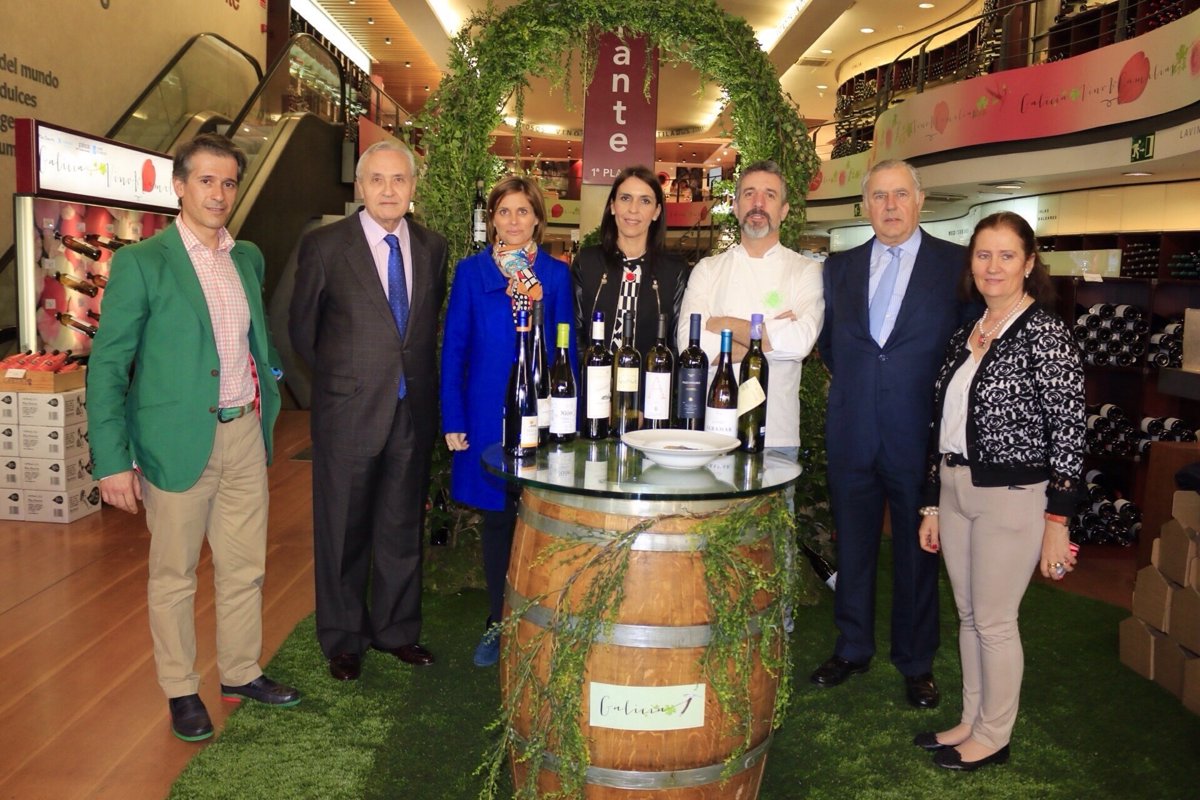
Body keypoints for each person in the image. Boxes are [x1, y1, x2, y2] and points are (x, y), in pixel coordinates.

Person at [88, 133, 298, 743]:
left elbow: (253, 342)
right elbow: (109, 365)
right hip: (174, 442)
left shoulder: (246, 257)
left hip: (243, 433)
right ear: (179, 186)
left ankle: (240, 672)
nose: (219, 193)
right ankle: (181, 689)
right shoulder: (142, 262)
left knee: (245, 567)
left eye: (228, 182)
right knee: (174, 575)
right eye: (206, 180)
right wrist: (112, 460)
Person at [914, 211, 1084, 770]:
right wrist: (933, 501)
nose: (993, 266)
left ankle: (994, 735)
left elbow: (1069, 431)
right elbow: (941, 422)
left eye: (1006, 255)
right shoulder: (970, 330)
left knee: (994, 620)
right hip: (956, 488)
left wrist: (1058, 521)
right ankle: (971, 720)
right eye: (983, 254)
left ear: (1029, 264)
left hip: (1012, 495)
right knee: (968, 616)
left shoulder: (1045, 333)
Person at [813, 159, 974, 708]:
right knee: (854, 546)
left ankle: (915, 661)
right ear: (865, 205)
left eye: (900, 194)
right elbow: (831, 346)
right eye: (879, 196)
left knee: (917, 552)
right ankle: (852, 647)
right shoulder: (839, 268)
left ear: (920, 200)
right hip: (852, 431)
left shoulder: (955, 266)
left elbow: (966, 351)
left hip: (919, 438)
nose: (890, 206)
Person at [290, 140, 448, 680]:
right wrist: (344, 383)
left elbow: (423, 328)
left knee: (402, 527)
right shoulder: (325, 246)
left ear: (413, 187)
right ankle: (344, 638)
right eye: (376, 179)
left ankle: (397, 630)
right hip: (348, 413)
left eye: (399, 179)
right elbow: (302, 331)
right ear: (359, 186)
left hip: (412, 410)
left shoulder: (432, 247)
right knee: (343, 530)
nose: (388, 189)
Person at [441, 176, 576, 667]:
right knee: (498, 521)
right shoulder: (472, 273)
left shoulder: (555, 276)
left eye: (523, 211)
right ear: (492, 219)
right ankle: (497, 624)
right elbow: (454, 348)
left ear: (538, 218)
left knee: (543, 519)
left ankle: (541, 623)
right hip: (484, 415)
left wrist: (568, 420)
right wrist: (453, 416)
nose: (513, 221)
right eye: (504, 211)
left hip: (541, 414)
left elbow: (567, 351)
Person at [676, 160, 824, 450]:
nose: (758, 203)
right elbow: (690, 346)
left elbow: (800, 343)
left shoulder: (805, 270)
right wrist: (769, 338)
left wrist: (722, 324)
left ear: (784, 210)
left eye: (770, 195)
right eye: (749, 194)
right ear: (735, 207)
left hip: (777, 436)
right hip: (712, 433)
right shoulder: (708, 270)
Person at [571, 165, 687, 357]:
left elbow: (676, 343)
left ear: (656, 212)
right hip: (593, 375)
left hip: (652, 376)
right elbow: (575, 334)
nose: (633, 209)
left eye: (645, 201)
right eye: (625, 198)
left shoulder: (674, 271)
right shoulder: (587, 262)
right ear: (612, 206)